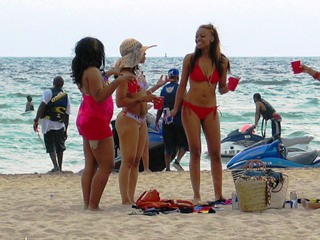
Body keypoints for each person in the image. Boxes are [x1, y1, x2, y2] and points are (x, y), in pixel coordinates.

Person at [71, 37, 134, 210]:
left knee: (91, 164)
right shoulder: (92, 71)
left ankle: (88, 204)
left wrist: (110, 73)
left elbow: (94, 87)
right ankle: (93, 205)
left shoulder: (84, 71)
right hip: (96, 122)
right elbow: (99, 96)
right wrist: (118, 81)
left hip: (86, 119)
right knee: (107, 165)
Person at [171, 24, 230, 204]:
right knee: (195, 151)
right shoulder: (190, 59)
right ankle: (196, 195)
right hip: (191, 108)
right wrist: (175, 108)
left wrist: (230, 87)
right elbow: (182, 85)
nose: (199, 39)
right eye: (197, 37)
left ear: (212, 38)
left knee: (215, 153)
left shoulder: (222, 61)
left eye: (203, 36)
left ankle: (218, 194)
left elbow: (221, 89)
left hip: (211, 110)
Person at [114, 38, 167, 205]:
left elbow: (140, 95)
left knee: (136, 161)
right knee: (128, 160)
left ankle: (130, 197)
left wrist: (157, 87)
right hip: (128, 119)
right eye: (143, 52)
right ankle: (125, 199)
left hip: (140, 120)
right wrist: (144, 97)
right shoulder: (125, 75)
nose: (145, 55)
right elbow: (120, 101)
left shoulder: (136, 73)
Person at [33, 76, 71, 173]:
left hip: (48, 124)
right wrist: (66, 129)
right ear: (62, 84)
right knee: (60, 147)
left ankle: (55, 166)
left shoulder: (48, 92)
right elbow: (66, 115)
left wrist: (36, 120)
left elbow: (42, 106)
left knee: (50, 146)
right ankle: (60, 167)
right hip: (60, 125)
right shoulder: (66, 96)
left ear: (53, 83)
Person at [155, 68, 188, 171]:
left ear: (169, 78)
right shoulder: (181, 88)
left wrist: (157, 120)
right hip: (178, 118)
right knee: (184, 143)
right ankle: (177, 161)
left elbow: (160, 107)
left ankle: (168, 168)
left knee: (168, 146)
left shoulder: (163, 89)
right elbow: (186, 105)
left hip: (166, 119)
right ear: (178, 77)